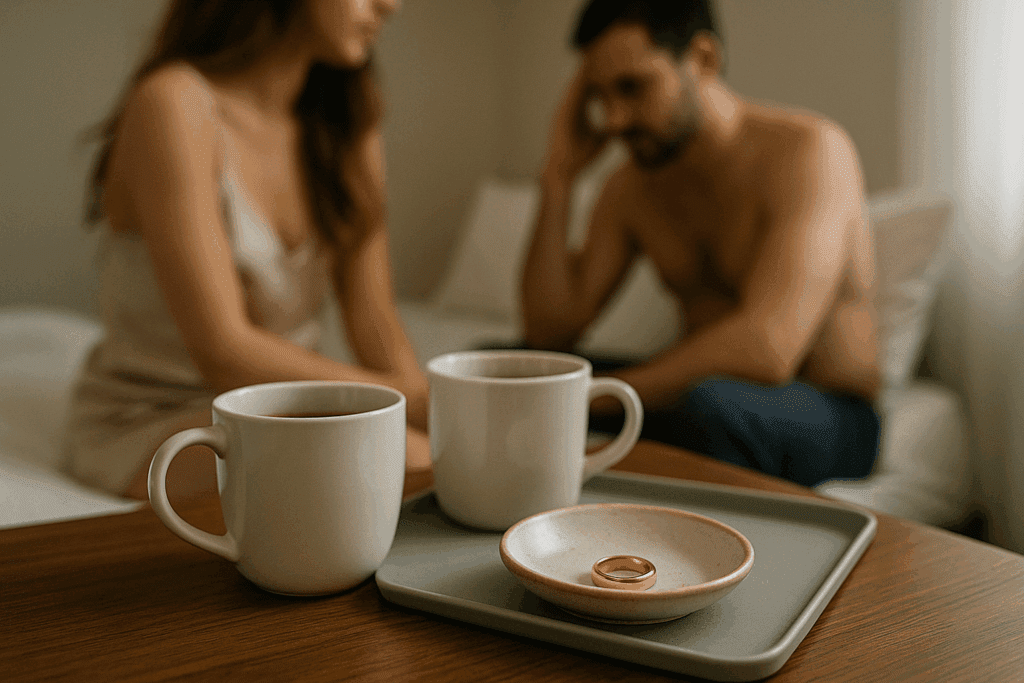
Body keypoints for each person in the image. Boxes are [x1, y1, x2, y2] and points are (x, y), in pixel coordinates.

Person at [62, 0, 432, 502]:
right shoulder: (174, 103)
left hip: (287, 404)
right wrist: (413, 406)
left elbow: (375, 318)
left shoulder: (346, 114)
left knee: (435, 457)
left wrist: (436, 417)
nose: (391, 5)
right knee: (399, 458)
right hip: (157, 415)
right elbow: (225, 351)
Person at [520, 0, 881, 487]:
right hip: (696, 397)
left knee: (711, 408)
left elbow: (768, 348)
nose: (613, 120)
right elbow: (548, 331)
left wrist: (596, 398)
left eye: (632, 87)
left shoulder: (808, 151)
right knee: (514, 372)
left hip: (826, 409)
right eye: (600, 96)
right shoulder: (630, 188)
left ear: (704, 58)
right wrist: (558, 175)